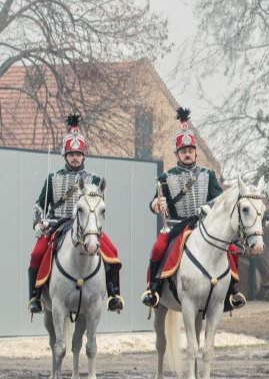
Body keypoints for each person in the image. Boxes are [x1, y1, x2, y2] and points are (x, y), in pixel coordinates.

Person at [140, 108, 244, 310]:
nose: (187, 154)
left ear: (196, 152)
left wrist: (206, 208)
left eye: (190, 150)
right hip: (177, 226)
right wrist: (156, 204)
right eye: (183, 151)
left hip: (204, 225)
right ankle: (153, 289)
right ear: (177, 154)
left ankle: (232, 291)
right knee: (158, 248)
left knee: (231, 249)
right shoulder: (166, 177)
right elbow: (154, 202)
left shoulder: (208, 175)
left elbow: (219, 200)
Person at [28, 115, 123, 314]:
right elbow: (39, 205)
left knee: (112, 252)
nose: (75, 158)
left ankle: (114, 294)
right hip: (57, 226)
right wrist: (38, 222)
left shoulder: (94, 179)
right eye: (71, 154)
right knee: (36, 254)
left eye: (78, 154)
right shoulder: (53, 178)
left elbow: (99, 206)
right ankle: (35, 297)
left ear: (83, 156)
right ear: (65, 155)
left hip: (86, 226)